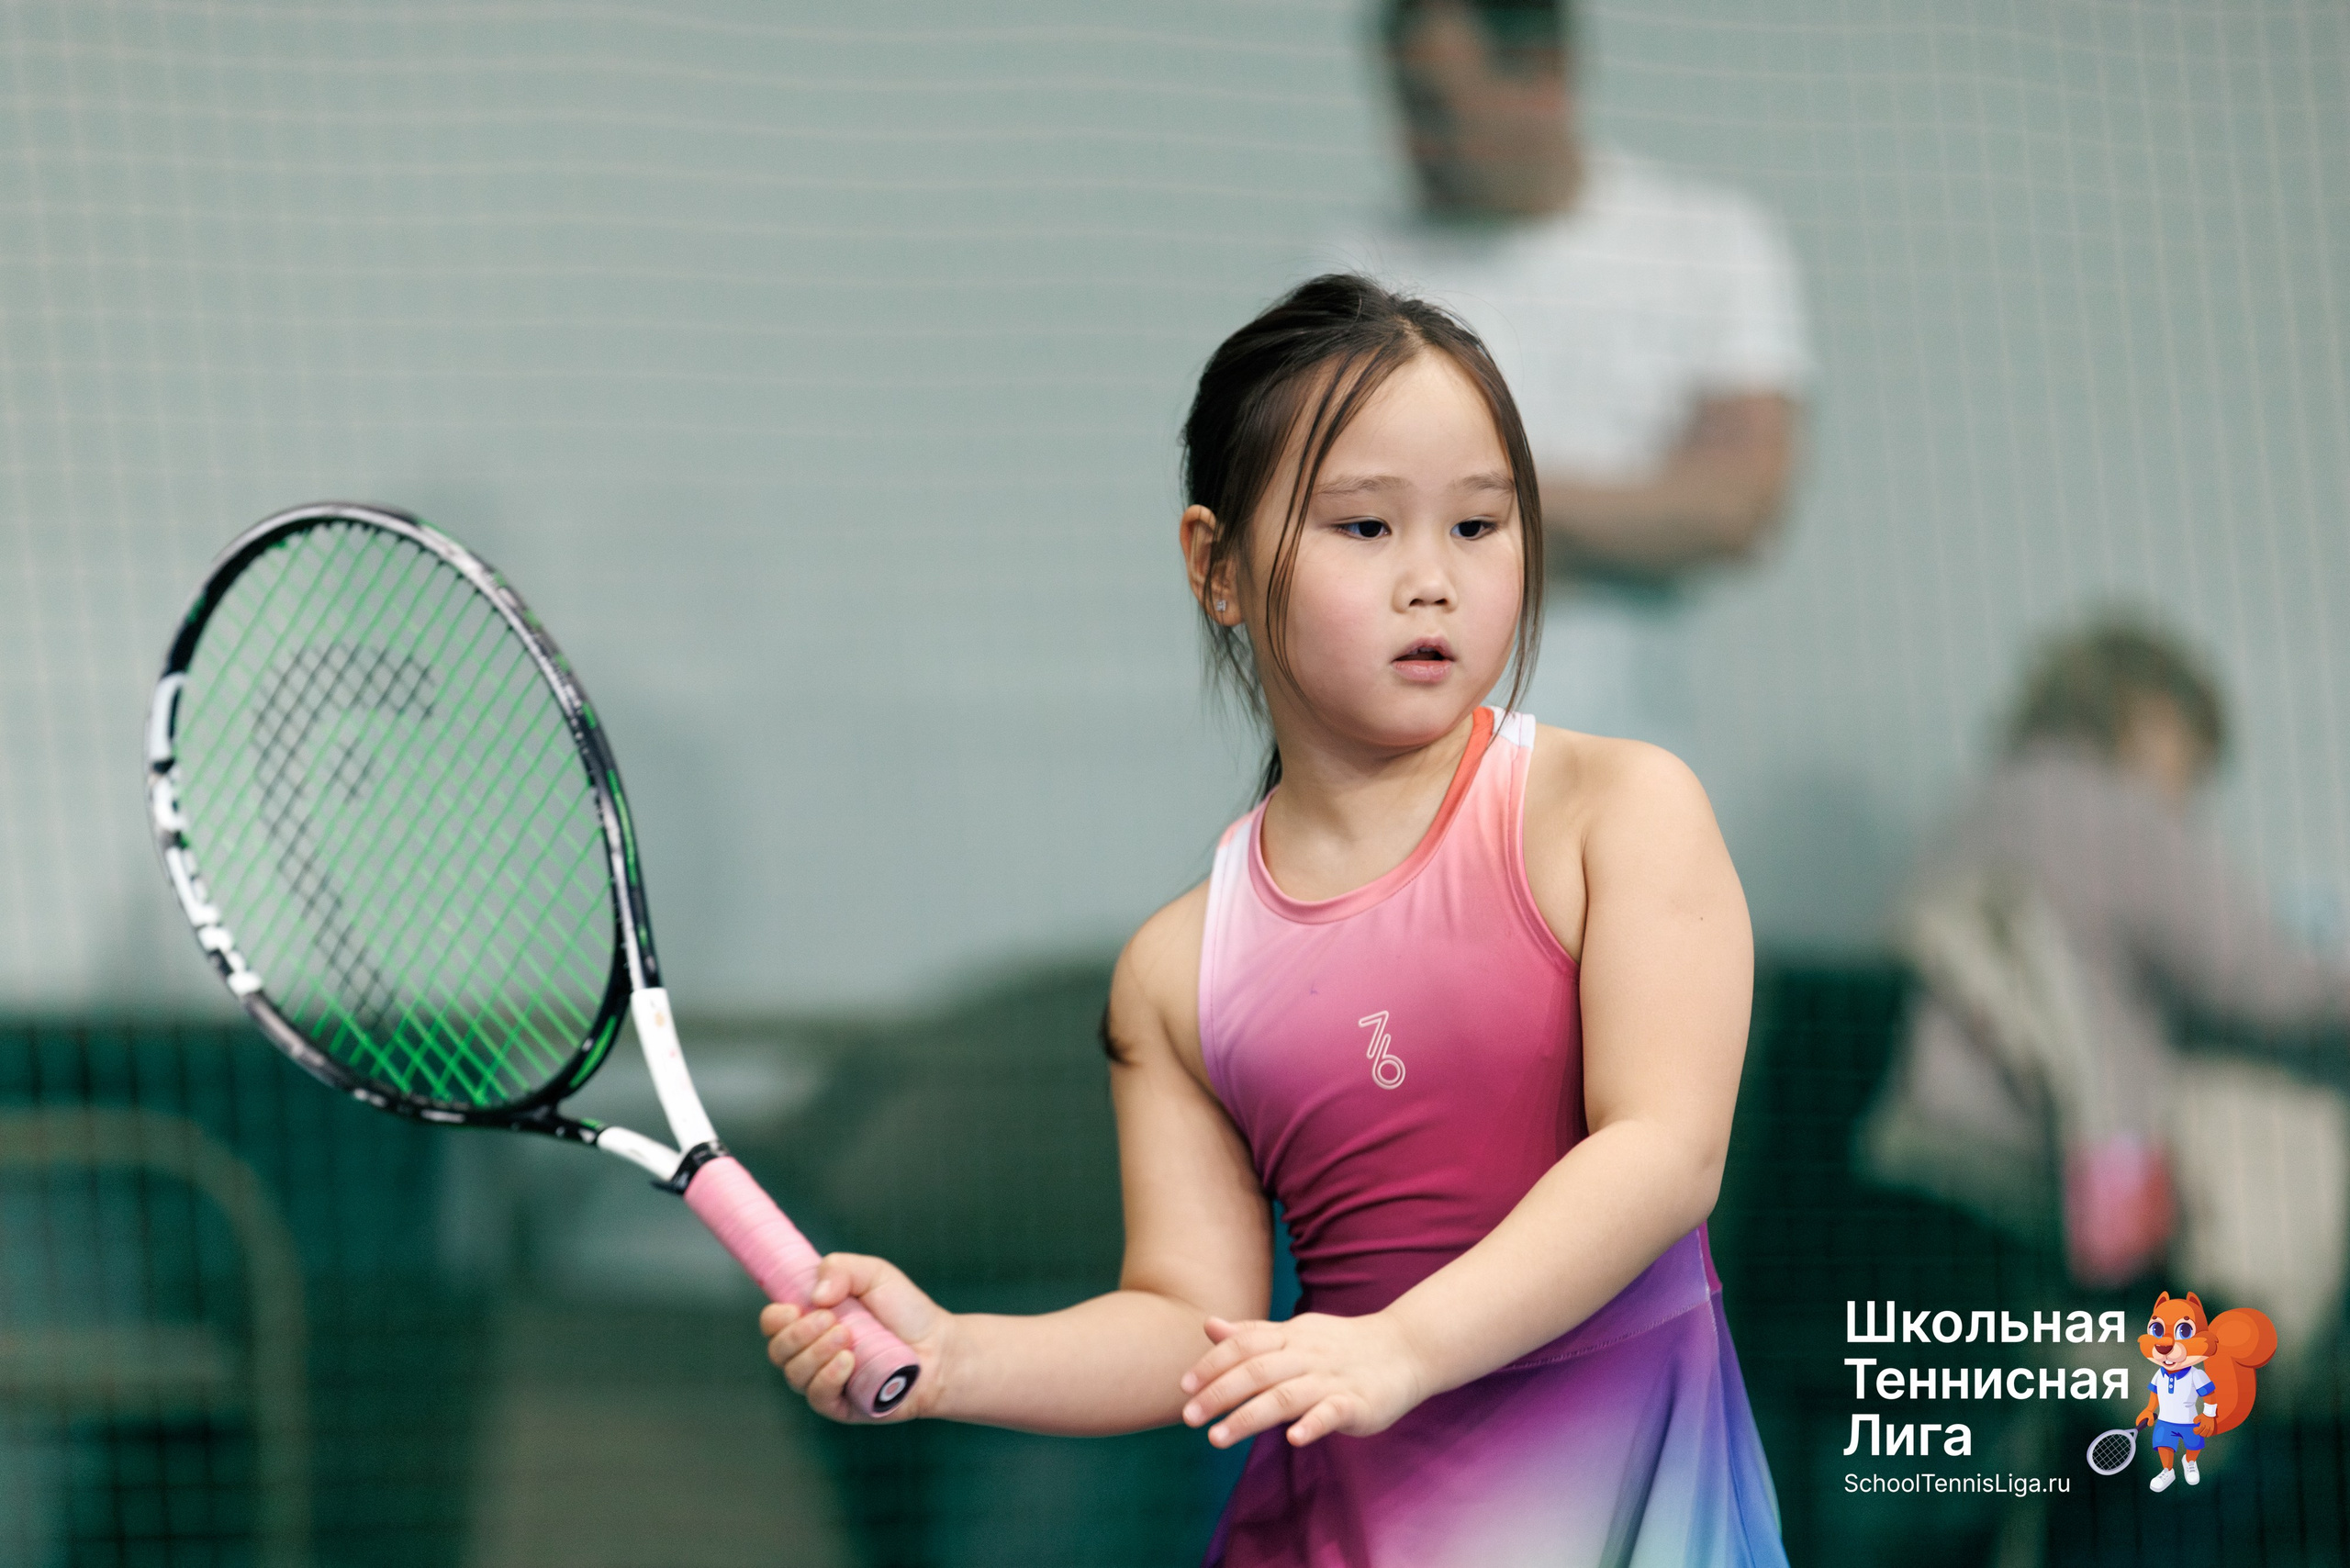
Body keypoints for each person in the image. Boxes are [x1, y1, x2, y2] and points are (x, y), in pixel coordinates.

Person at [756, 274, 1785, 1564]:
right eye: (1364, 528)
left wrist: (1404, 1346)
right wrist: (954, 1357)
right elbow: (1190, 1321)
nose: (1433, 581)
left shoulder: (1620, 812)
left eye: (1480, 525)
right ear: (1217, 566)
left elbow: (1663, 1153)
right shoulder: (1175, 972)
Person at [1326, 0, 1809, 751]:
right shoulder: (1348, 271)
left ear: (1544, 73)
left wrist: (1460, 511)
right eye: (1401, 106)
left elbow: (1734, 507)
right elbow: (1330, 525)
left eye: (1436, 107)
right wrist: (1621, 522)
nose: (1411, 141)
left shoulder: (1709, 243)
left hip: (1635, 747)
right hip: (1400, 764)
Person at [1861, 618, 2350, 1359]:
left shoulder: (1978, 805)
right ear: (2150, 717)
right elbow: (2270, 984)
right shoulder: (2115, 813)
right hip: (2052, 1171)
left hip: (1918, 1149)